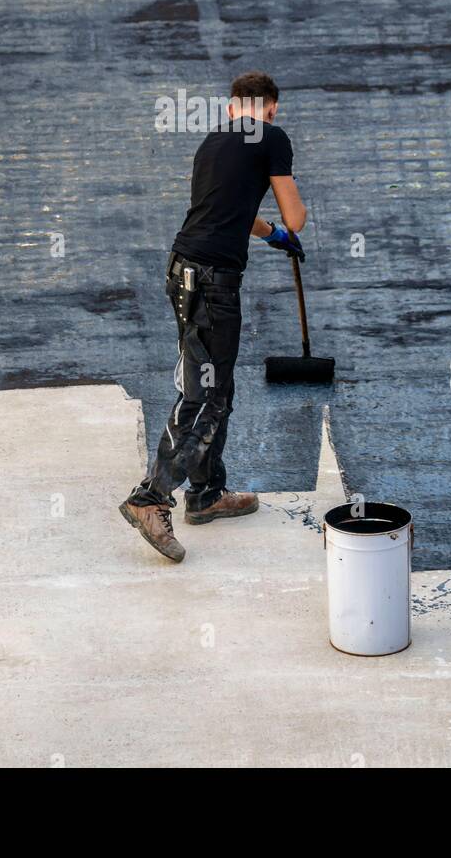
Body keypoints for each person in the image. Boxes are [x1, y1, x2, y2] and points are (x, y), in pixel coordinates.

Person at [119, 70, 307, 562]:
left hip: (182, 270)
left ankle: (204, 495)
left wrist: (270, 237)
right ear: (271, 108)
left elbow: (233, 210)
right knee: (208, 396)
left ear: (230, 108)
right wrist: (287, 228)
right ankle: (150, 498)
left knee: (212, 386)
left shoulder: (214, 142)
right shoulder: (272, 137)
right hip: (213, 282)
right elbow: (296, 217)